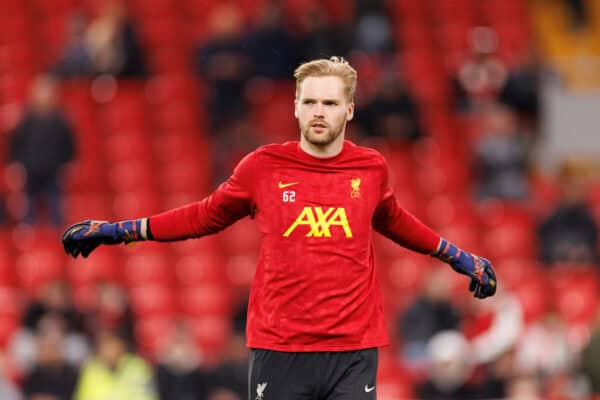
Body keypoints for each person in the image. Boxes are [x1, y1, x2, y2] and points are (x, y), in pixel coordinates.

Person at [61, 57, 497, 399]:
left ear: (349, 108)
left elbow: (395, 220)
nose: (318, 112)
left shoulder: (371, 168)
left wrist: (458, 257)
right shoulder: (263, 167)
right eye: (309, 101)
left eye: (329, 102)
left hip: (352, 350)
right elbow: (203, 216)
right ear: (295, 106)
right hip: (280, 348)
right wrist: (123, 231)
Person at [8, 74, 75, 226]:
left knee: (56, 210)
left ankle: (60, 240)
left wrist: (68, 164)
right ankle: (28, 239)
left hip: (53, 173)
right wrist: (16, 165)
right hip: (31, 172)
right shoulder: (26, 119)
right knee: (28, 212)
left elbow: (69, 145)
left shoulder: (61, 120)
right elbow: (16, 144)